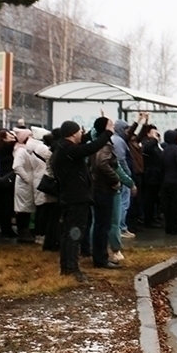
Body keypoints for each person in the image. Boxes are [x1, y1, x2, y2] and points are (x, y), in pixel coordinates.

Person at [52, 118, 114, 282]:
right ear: (73, 134)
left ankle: (66, 267)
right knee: (74, 235)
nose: (82, 134)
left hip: (69, 197)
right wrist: (107, 132)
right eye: (80, 131)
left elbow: (85, 142)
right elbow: (90, 148)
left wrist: (99, 126)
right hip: (76, 198)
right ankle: (72, 269)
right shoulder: (69, 150)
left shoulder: (61, 146)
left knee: (67, 234)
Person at [89, 117, 123, 269]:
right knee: (103, 225)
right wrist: (115, 179)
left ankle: (100, 256)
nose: (113, 125)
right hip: (104, 189)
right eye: (110, 124)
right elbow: (102, 163)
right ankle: (101, 258)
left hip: (98, 188)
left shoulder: (98, 142)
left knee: (100, 224)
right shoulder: (105, 144)